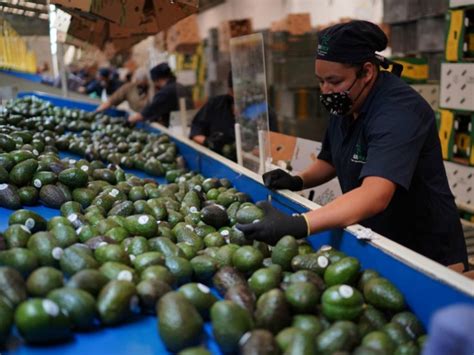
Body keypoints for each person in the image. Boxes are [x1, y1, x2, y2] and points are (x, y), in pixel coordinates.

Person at [236, 20, 468, 268]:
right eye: (320, 81)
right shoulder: (347, 101)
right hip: (376, 236)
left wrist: (300, 224)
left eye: (334, 81)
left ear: (367, 72)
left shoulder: (399, 112)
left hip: (424, 252)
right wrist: (297, 180)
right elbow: (330, 159)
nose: (326, 90)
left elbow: (375, 195)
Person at [190, 71, 279, 154]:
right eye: (236, 92)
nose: (243, 96)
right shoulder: (215, 105)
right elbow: (195, 132)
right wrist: (208, 142)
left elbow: (276, 146)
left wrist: (255, 152)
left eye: (247, 92)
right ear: (230, 91)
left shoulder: (264, 111)